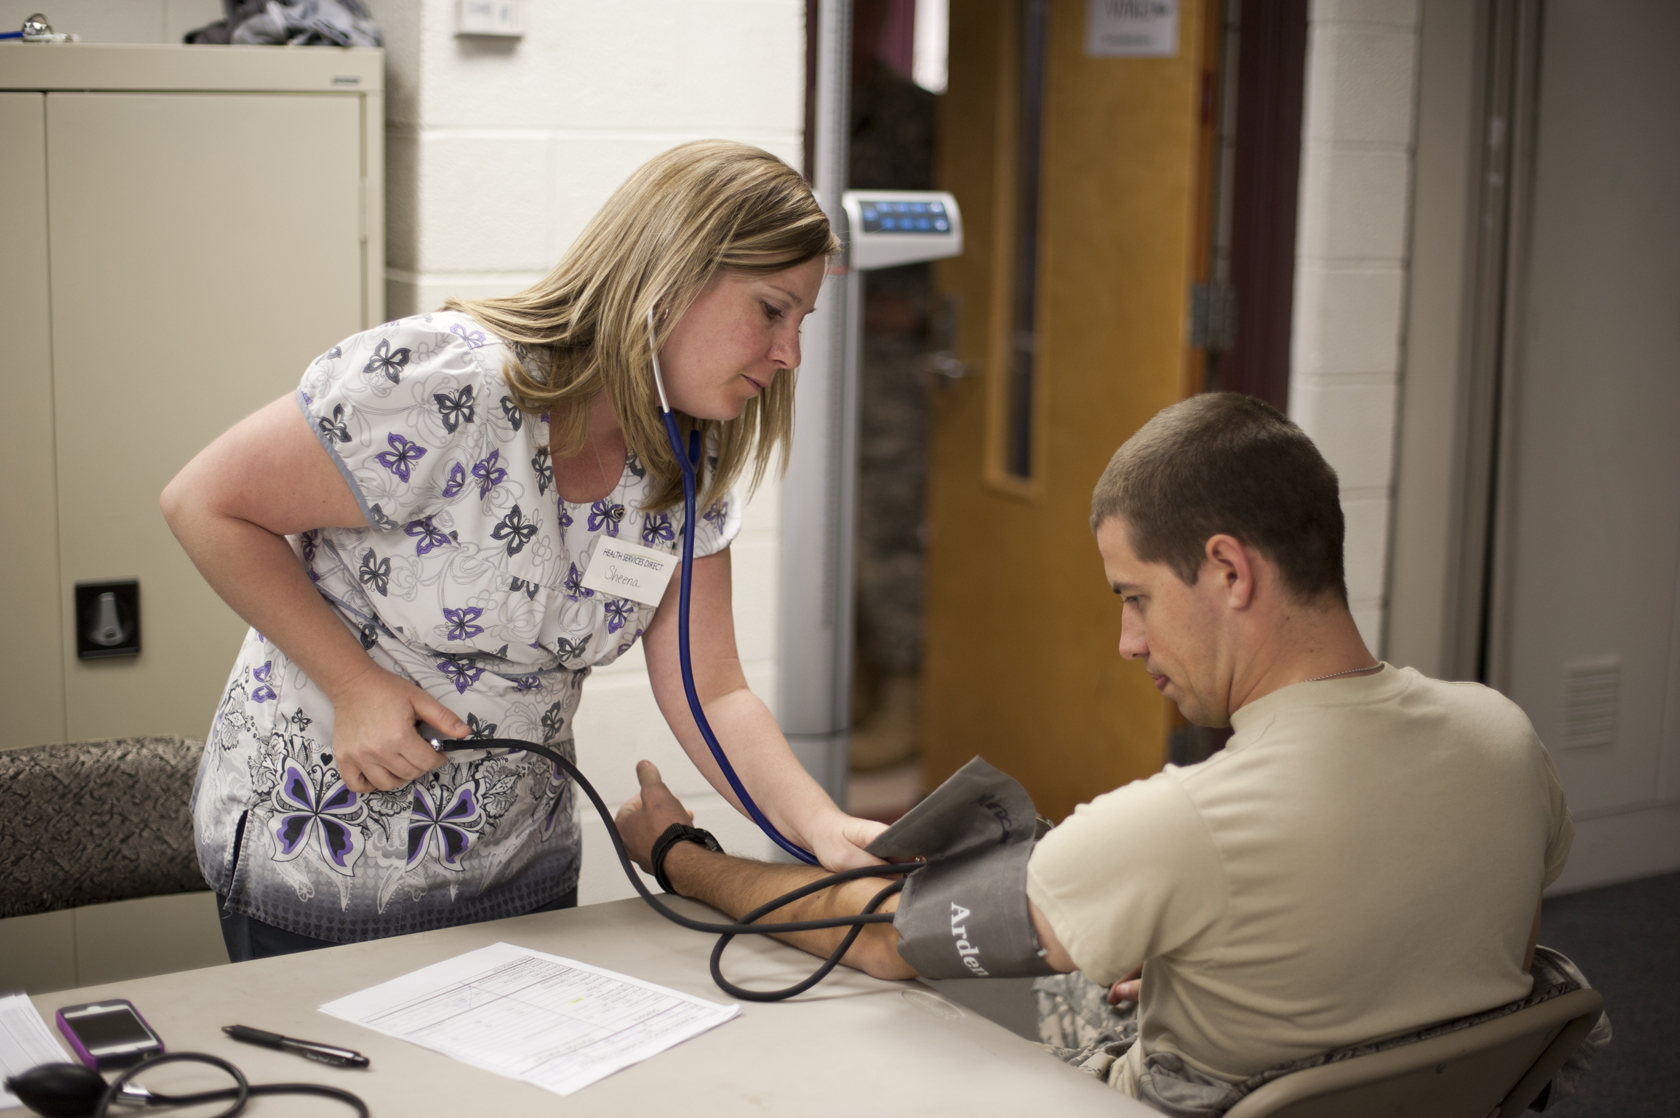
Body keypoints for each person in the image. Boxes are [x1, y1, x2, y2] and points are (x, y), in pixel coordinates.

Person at [612, 393, 1577, 1104]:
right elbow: (1486, 953)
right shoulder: (1504, 737)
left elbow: (879, 935)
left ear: (1230, 571)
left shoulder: (1181, 826)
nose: (1128, 642)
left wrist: (680, 857)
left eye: (1135, 597)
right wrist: (1232, 962)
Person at [161, 140, 889, 961]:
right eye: (771, 309)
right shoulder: (442, 382)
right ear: (671, 272)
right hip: (325, 860)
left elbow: (713, 690)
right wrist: (353, 684)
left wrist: (821, 825)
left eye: (802, 323)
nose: (790, 352)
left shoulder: (694, 455)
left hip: (522, 865)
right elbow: (205, 503)